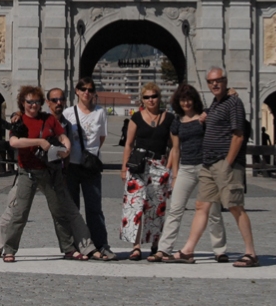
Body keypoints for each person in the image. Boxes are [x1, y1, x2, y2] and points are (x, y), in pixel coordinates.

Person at [0, 86, 95, 263]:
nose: (33, 105)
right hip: (27, 172)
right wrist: (40, 141)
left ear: (41, 103)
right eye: (29, 102)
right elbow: (13, 142)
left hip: (50, 172)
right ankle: (9, 249)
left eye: (36, 102)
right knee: (20, 213)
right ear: (22, 103)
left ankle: (68, 248)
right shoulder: (19, 121)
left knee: (59, 212)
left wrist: (67, 148)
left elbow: (63, 136)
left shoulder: (49, 119)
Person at [174, 68, 258, 267]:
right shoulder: (217, 103)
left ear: (225, 81)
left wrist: (228, 163)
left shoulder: (234, 103)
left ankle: (251, 253)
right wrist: (205, 115)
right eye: (211, 81)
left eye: (218, 80)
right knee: (201, 206)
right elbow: (212, 118)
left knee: (235, 206)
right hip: (209, 163)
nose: (215, 84)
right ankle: (188, 250)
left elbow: (238, 135)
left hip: (224, 163)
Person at [149, 84, 228, 264]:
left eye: (189, 99)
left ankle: (219, 250)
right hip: (185, 169)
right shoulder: (177, 122)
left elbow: (222, 101)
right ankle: (164, 249)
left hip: (206, 168)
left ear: (195, 100)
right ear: (178, 102)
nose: (186, 102)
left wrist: (229, 92)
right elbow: (175, 150)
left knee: (214, 210)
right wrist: (175, 175)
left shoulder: (205, 117)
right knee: (175, 209)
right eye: (183, 99)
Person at [120, 82, 174, 260]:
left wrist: (171, 168)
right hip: (138, 165)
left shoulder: (169, 118)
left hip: (159, 165)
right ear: (142, 99)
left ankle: (155, 243)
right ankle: (135, 246)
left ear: (160, 97)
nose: (151, 100)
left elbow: (174, 147)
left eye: (154, 96)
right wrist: (123, 167)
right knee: (134, 206)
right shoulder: (136, 118)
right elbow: (128, 144)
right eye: (147, 97)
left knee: (156, 207)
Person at [63, 78, 112, 259]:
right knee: (72, 207)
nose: (86, 92)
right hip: (72, 166)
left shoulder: (100, 112)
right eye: (83, 89)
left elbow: (101, 138)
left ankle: (101, 244)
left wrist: (88, 154)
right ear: (76, 91)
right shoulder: (68, 113)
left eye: (90, 90)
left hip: (91, 166)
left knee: (94, 207)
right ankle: (76, 245)